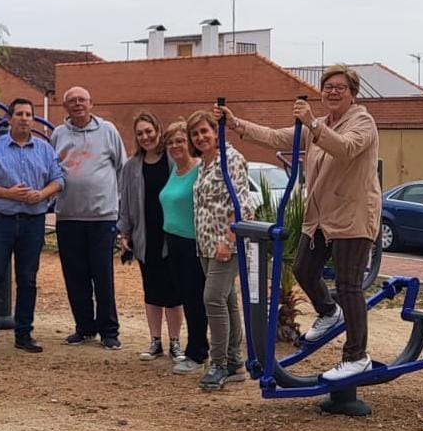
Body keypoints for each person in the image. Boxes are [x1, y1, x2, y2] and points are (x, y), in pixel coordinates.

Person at [215, 64, 382, 381]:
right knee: (304, 268)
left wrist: (313, 125)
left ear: (352, 93)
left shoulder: (362, 121)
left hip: (352, 216)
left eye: (339, 87)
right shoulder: (316, 125)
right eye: (327, 87)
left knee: (348, 286)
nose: (332, 92)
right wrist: (237, 124)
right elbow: (277, 137)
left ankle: (357, 356)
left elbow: (345, 149)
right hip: (320, 217)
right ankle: (329, 312)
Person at [0, 98, 64, 359]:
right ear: (9, 118)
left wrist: (42, 194)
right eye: (19, 114)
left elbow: (59, 180)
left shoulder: (44, 149)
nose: (24, 118)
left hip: (33, 222)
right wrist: (7, 194)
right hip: (0, 221)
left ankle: (24, 334)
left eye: (28, 114)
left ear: (33, 118)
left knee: (28, 280)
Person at [50, 86, 127, 350]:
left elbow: (121, 169)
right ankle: (84, 327)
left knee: (102, 276)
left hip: (102, 217)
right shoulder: (58, 134)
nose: (78, 104)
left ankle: (109, 331)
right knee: (75, 276)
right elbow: (51, 169)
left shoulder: (108, 132)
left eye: (82, 99)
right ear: (65, 107)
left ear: (91, 103)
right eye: (72, 101)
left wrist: (117, 205)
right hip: (68, 217)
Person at [186, 109, 253, 391]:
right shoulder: (204, 163)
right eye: (195, 133)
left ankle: (218, 364)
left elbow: (243, 205)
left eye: (205, 131)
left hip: (226, 244)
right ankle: (236, 362)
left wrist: (228, 240)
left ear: (216, 132)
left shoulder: (231, 160)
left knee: (212, 298)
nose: (200, 137)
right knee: (226, 301)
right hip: (206, 243)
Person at [118, 112, 185, 363]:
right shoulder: (131, 167)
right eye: (140, 133)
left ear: (158, 130)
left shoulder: (173, 160)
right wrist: (124, 232)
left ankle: (176, 342)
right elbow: (125, 202)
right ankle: (155, 340)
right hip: (145, 236)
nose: (145, 137)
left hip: (173, 235)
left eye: (149, 131)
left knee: (174, 293)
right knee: (152, 291)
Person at [158, 121, 209, 375]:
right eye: (170, 142)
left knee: (195, 300)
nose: (175, 146)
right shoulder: (175, 171)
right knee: (186, 299)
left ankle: (197, 353)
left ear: (189, 142)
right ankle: (198, 347)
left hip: (193, 245)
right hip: (174, 243)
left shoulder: (199, 170)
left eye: (180, 140)